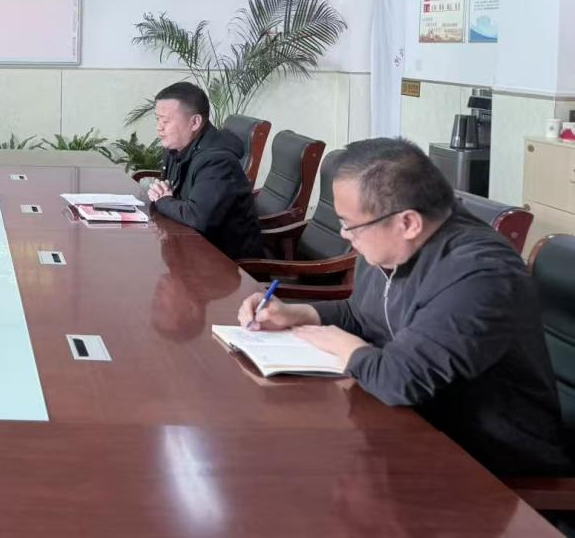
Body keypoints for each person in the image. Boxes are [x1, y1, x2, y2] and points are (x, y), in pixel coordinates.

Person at [238, 137, 570, 478]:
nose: (345, 235)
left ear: (408, 222)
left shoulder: (481, 273)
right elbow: (363, 315)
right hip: (414, 426)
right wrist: (298, 313)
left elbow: (400, 379)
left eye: (350, 224)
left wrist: (347, 348)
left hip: (491, 465)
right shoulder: (392, 243)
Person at [145, 82, 263, 260]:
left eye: (166, 121)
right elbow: (172, 192)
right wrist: (163, 195)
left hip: (228, 263)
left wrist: (163, 200)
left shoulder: (217, 162)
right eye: (158, 119)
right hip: (190, 248)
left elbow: (197, 218)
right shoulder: (176, 148)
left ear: (195, 122)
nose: (159, 127)